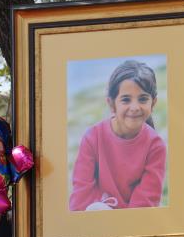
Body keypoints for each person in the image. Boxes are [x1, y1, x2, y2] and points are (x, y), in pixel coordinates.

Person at [69, 59, 167, 211]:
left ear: (153, 103)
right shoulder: (92, 137)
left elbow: (146, 201)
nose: (134, 107)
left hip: (134, 222)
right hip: (98, 217)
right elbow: (81, 196)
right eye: (126, 100)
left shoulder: (155, 145)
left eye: (143, 99)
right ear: (111, 104)